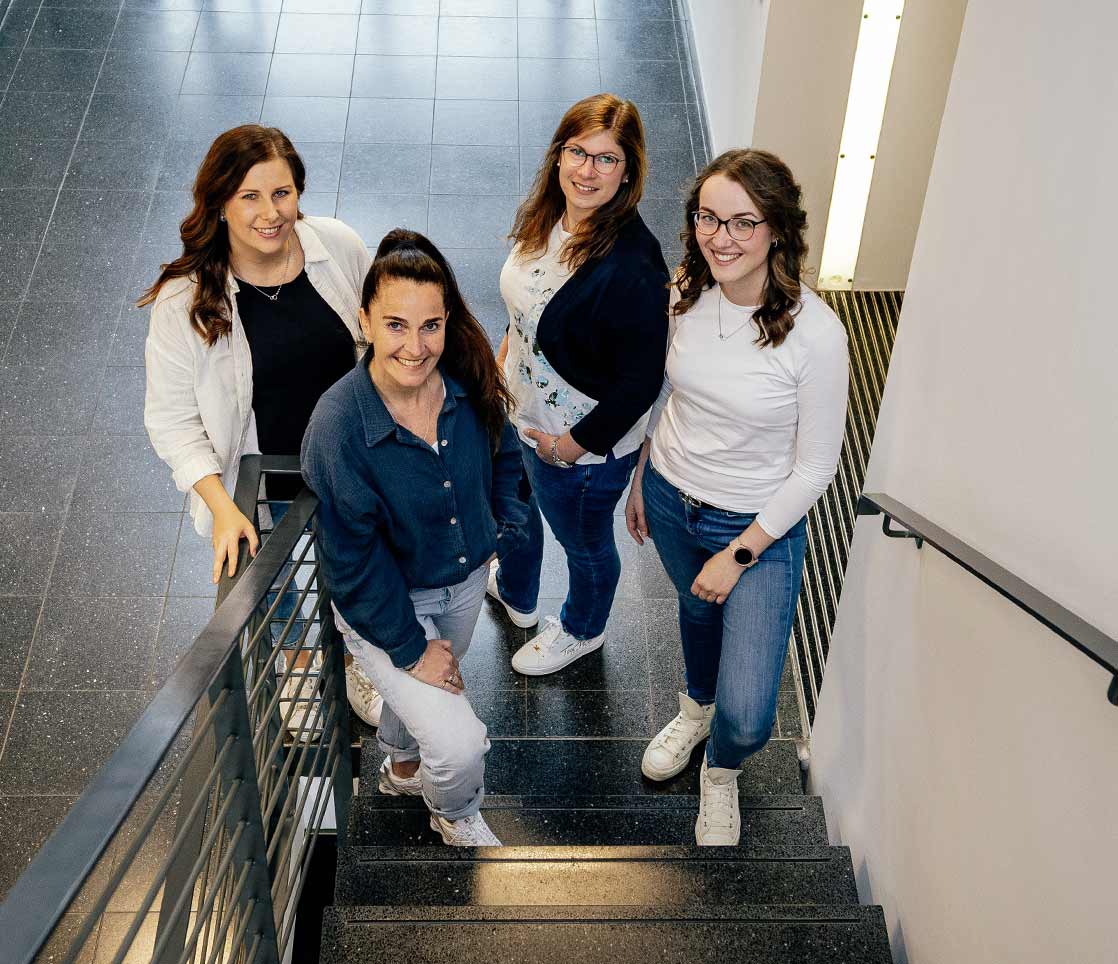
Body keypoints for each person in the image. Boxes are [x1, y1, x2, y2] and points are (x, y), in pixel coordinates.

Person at [625, 149, 849, 845]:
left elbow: (817, 469)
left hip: (758, 526)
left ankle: (721, 768)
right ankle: (695, 708)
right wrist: (640, 475)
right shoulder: (686, 295)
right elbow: (665, 394)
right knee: (694, 609)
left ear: (777, 230)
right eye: (708, 218)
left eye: (742, 223)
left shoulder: (817, 335)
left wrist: (740, 553)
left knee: (751, 712)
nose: (720, 238)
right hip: (670, 494)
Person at [141, 124, 382, 730]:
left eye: (282, 193)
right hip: (262, 480)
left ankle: (355, 657)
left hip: (349, 461)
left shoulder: (338, 246)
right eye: (249, 196)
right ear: (219, 201)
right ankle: (298, 662)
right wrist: (222, 506)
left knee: (356, 565)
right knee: (276, 584)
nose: (270, 214)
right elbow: (171, 421)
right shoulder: (183, 301)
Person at [301, 230, 528, 847]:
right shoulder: (340, 425)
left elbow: (503, 452)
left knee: (419, 706)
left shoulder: (465, 380)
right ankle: (453, 813)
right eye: (396, 325)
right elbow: (352, 562)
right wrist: (408, 648)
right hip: (386, 604)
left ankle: (401, 770)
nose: (415, 346)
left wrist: (504, 521)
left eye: (431, 326)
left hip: (462, 583)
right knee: (458, 742)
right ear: (365, 320)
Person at [487, 92, 670, 676]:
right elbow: (527, 309)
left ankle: (583, 629)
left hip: (579, 444)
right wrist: (503, 360)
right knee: (515, 507)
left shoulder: (634, 266)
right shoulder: (548, 215)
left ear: (629, 172)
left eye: (607, 159)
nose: (587, 171)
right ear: (559, 155)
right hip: (520, 409)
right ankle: (516, 595)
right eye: (577, 152)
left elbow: (642, 381)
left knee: (585, 544)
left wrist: (573, 447)